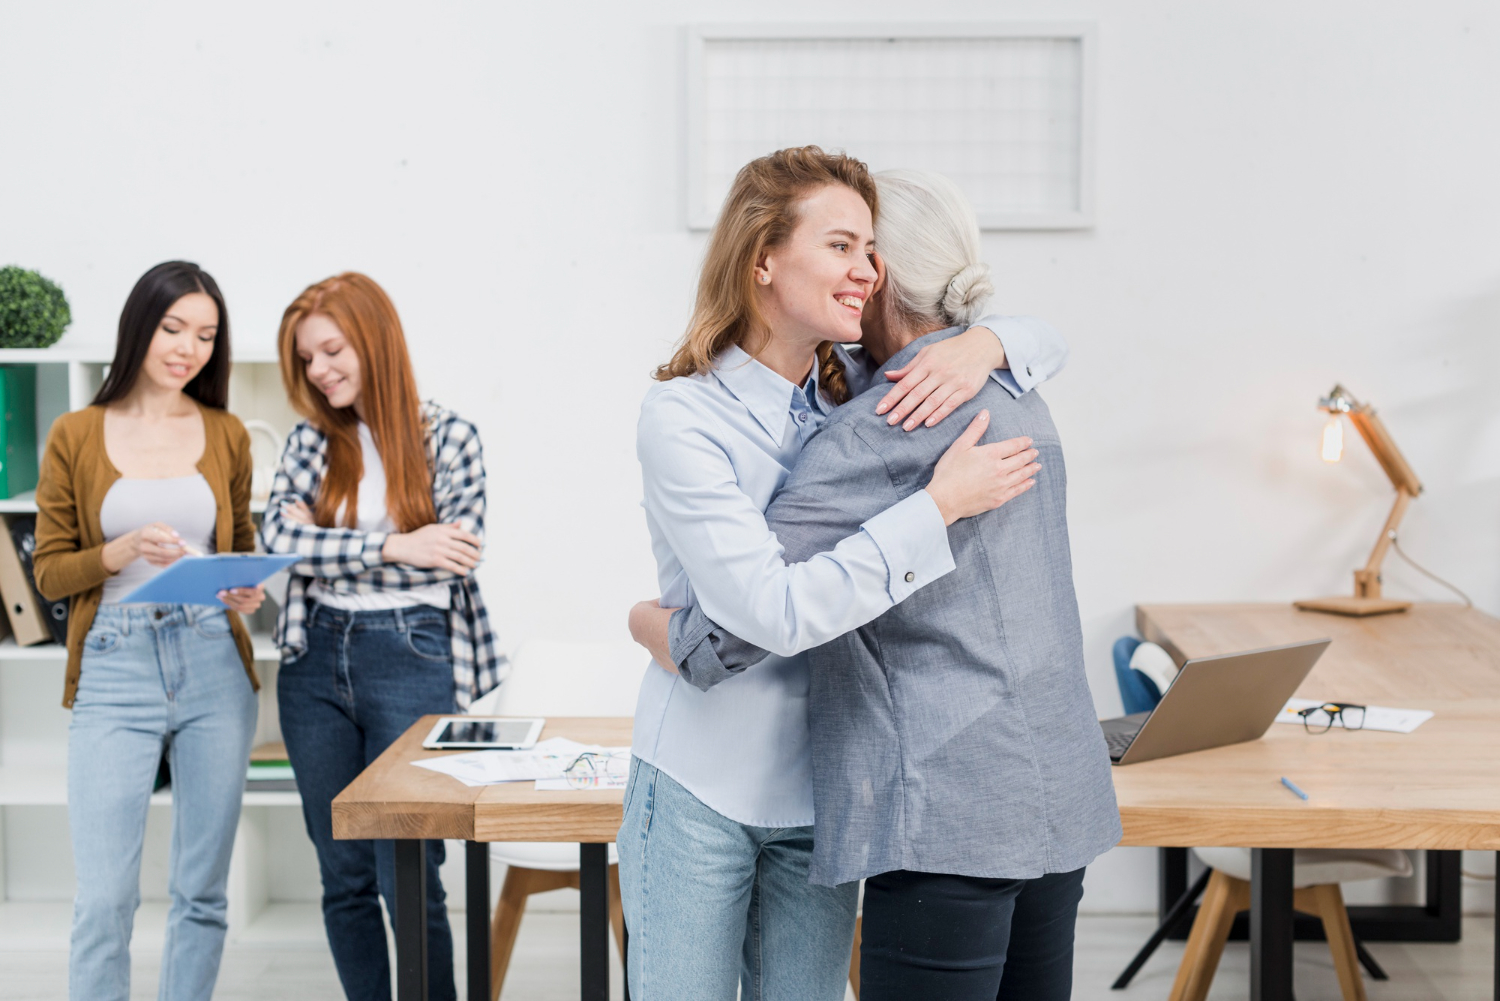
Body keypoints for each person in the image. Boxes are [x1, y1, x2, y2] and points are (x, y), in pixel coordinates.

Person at [640, 169, 1122, 1001]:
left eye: (867, 250)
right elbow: (1042, 341)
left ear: (885, 276)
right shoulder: (1015, 391)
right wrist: (991, 344)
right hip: (1054, 792)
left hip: (945, 807)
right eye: (842, 246)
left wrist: (654, 627)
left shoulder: (876, 419)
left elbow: (735, 633)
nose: (858, 268)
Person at [260, 273, 498, 1001]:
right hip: (313, 658)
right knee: (344, 873)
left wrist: (324, 542)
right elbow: (277, 540)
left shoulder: (449, 436)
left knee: (410, 869)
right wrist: (396, 544)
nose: (318, 370)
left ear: (375, 340)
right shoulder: (312, 439)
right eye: (307, 358)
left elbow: (455, 551)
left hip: (411, 653)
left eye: (332, 350)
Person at [33, 260, 264, 1001]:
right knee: (104, 898)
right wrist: (122, 550)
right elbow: (49, 573)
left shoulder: (226, 432)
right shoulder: (76, 433)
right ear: (140, 326)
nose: (189, 348)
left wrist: (246, 588)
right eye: (173, 328)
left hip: (212, 660)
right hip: (114, 662)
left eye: (206, 335)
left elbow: (240, 547)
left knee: (202, 891)